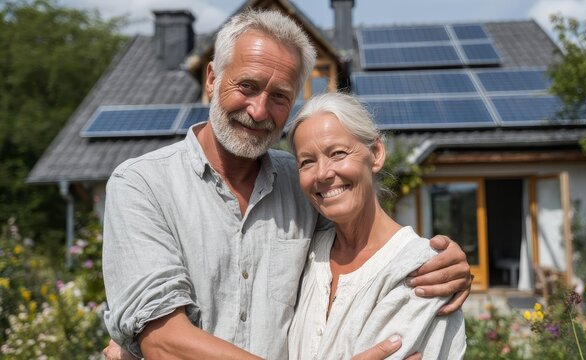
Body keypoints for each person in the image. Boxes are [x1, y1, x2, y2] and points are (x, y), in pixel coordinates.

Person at [102, 9, 472, 360]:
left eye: (279, 96)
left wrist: (438, 260)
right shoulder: (142, 185)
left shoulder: (303, 184)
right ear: (212, 79)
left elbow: (365, 244)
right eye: (246, 86)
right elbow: (165, 343)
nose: (259, 110)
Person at [287, 92, 466, 359]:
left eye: (337, 153)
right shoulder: (305, 255)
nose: (323, 173)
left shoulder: (421, 271)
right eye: (307, 162)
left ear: (376, 153)